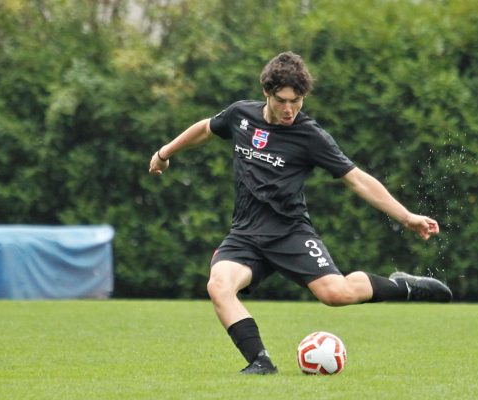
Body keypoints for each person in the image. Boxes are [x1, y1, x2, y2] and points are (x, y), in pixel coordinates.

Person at [148, 51, 452, 375]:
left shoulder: (310, 136)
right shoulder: (241, 116)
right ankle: (260, 362)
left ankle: (402, 286)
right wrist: (165, 152)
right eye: (282, 101)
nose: (289, 109)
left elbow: (357, 180)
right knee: (218, 286)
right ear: (267, 92)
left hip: (289, 233)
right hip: (245, 236)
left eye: (297, 100)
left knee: (336, 294)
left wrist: (407, 217)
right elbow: (206, 129)